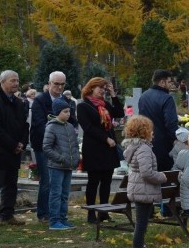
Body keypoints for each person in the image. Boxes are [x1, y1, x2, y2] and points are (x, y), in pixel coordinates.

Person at [30, 71, 78, 222]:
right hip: (45, 145)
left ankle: (56, 213)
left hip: (62, 147)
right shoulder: (40, 100)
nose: (59, 87)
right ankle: (43, 213)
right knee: (47, 180)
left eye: (62, 84)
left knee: (60, 184)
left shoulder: (66, 100)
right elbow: (39, 124)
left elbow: (73, 121)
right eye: (56, 84)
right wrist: (56, 133)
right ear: (49, 84)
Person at [123, 116, 167, 248]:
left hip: (139, 189)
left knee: (141, 225)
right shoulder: (144, 149)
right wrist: (162, 177)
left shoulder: (137, 147)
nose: (153, 132)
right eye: (150, 129)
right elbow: (147, 172)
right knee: (141, 226)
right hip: (143, 190)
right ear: (144, 131)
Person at [78, 77, 124, 223]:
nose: (102, 91)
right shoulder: (84, 106)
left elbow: (119, 113)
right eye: (100, 88)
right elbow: (88, 127)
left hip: (108, 149)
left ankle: (104, 212)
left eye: (104, 88)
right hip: (94, 148)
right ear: (91, 88)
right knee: (93, 182)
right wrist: (105, 139)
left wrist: (113, 95)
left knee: (106, 182)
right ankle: (91, 213)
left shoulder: (105, 104)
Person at [0, 70, 29, 227]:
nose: (16, 84)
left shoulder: (18, 103)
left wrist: (22, 143)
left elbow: (24, 125)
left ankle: (8, 214)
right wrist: (13, 144)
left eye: (17, 81)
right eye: (13, 81)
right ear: (2, 82)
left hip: (14, 151)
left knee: (11, 185)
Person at [42, 99, 80, 231]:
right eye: (65, 111)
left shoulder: (69, 126)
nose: (68, 114)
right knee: (55, 193)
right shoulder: (51, 126)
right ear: (58, 112)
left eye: (69, 111)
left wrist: (76, 158)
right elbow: (46, 147)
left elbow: (74, 145)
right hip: (56, 166)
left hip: (68, 166)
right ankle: (54, 221)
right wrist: (61, 158)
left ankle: (63, 218)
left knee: (64, 194)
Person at [137, 69, 179, 171]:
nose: (170, 85)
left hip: (146, 140)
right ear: (161, 82)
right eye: (169, 82)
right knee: (164, 177)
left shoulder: (143, 96)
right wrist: (174, 139)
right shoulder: (167, 98)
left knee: (150, 173)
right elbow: (170, 123)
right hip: (163, 144)